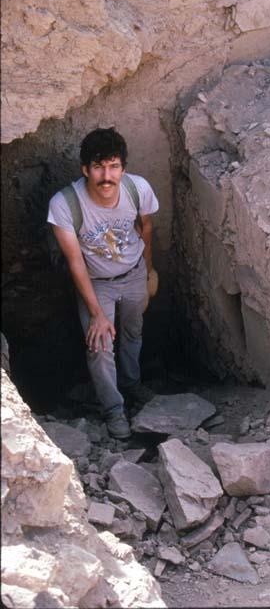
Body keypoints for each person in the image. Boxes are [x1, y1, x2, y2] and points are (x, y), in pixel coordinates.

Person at [47, 128, 159, 439]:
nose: (106, 176)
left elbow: (147, 230)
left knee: (133, 331)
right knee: (99, 344)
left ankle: (132, 383)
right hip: (96, 283)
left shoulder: (139, 189)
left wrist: (150, 273)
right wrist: (96, 312)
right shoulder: (65, 204)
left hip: (135, 273)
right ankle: (113, 409)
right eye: (98, 167)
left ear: (123, 168)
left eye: (113, 166)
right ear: (85, 169)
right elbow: (75, 262)